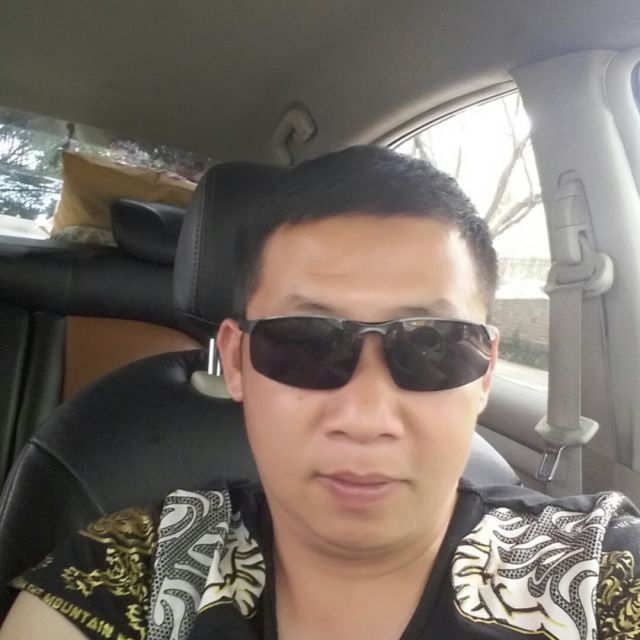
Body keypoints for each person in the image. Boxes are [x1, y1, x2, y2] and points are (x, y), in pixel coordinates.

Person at [2, 146, 640, 640]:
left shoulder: (594, 571)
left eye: (432, 345)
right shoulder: (127, 574)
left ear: (486, 373)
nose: (365, 417)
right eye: (305, 343)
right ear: (236, 362)